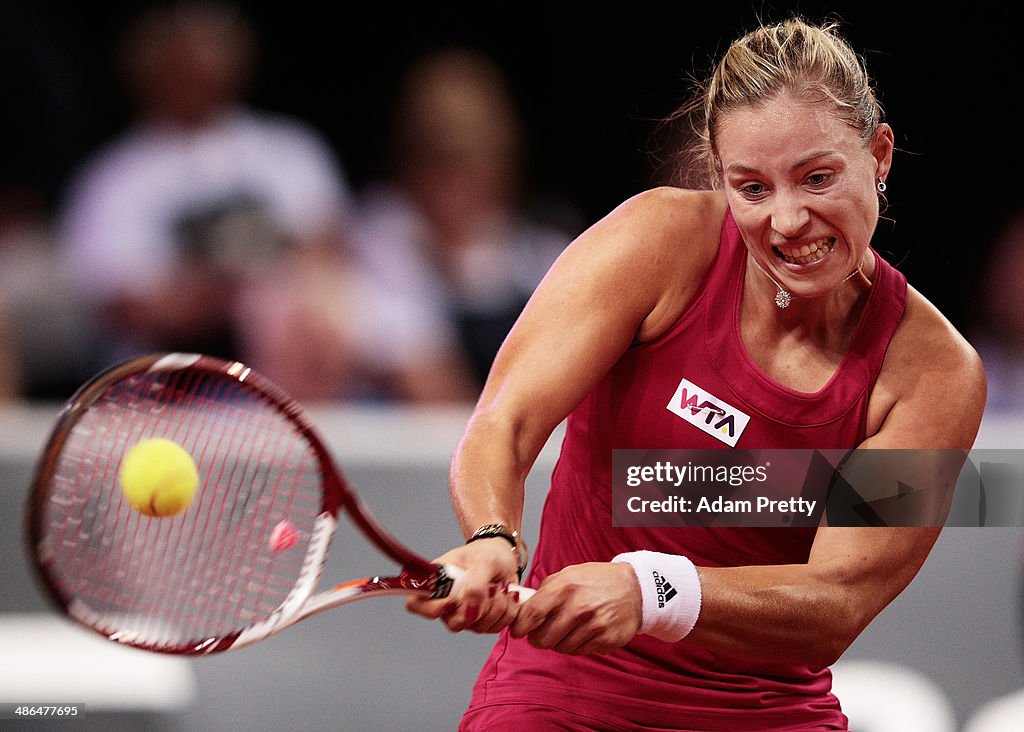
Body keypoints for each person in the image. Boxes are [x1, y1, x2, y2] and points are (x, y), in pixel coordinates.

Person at [407, 16, 986, 731]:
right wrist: (493, 535)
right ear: (719, 179)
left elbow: (836, 603)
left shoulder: (937, 375)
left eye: (817, 177)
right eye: (752, 187)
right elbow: (506, 420)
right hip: (562, 699)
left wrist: (650, 591)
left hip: (770, 715)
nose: (787, 220)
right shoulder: (657, 241)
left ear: (880, 155)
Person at [55, 1, 386, 400]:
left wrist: (265, 296)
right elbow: (127, 305)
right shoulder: (114, 177)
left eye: (211, 43)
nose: (198, 60)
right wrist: (236, 291)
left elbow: (329, 259)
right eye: (181, 45)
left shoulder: (290, 151)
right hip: (166, 395)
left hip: (294, 382)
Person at [351, 47, 578, 392]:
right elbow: (428, 383)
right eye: (436, 157)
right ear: (406, 155)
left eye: (471, 153)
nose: (454, 180)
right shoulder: (380, 238)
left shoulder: (547, 254)